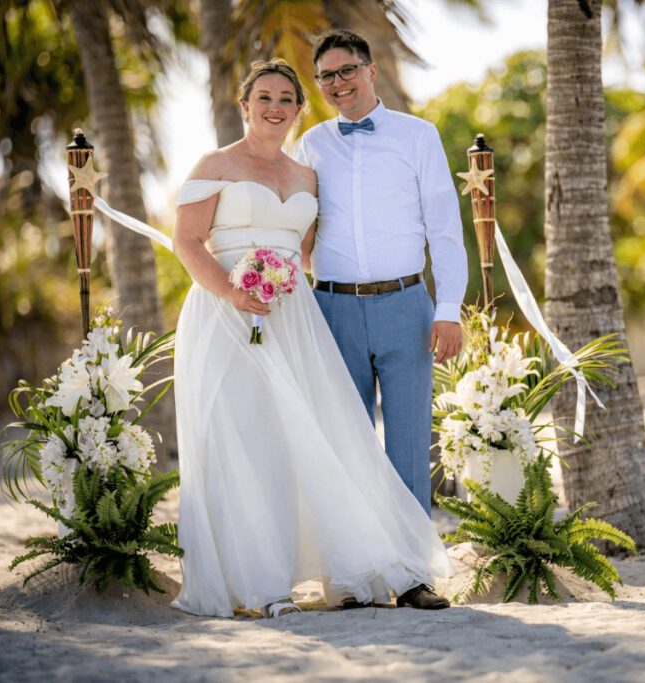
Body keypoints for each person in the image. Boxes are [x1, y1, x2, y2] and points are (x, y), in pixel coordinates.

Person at [169, 59, 452, 618]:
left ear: (299, 109)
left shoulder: (306, 175)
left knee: (300, 438)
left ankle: (351, 570)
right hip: (226, 314)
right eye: (264, 97)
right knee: (243, 438)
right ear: (244, 105)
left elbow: (305, 254)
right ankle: (261, 587)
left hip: (294, 316)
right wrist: (233, 292)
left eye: (286, 99)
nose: (275, 107)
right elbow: (187, 242)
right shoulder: (215, 164)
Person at [294, 30, 468, 517]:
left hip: (406, 307)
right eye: (326, 76)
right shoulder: (310, 144)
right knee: (344, 442)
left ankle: (413, 558)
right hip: (333, 309)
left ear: (371, 70)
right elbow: (294, 226)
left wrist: (449, 309)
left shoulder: (418, 135)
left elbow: (445, 229)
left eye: (347, 70)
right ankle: (354, 561)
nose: (338, 83)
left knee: (410, 443)